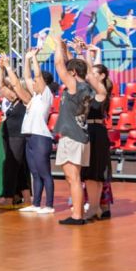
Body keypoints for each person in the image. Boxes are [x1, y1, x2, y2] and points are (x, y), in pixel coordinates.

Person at [51, 34, 96, 225]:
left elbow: (59, 65)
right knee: (73, 178)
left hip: (72, 136)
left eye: (70, 72)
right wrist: (66, 49)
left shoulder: (74, 85)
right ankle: (78, 213)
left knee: (73, 177)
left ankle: (77, 215)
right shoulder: (86, 86)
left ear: (74, 73)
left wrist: (56, 45)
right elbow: (73, 65)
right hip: (80, 135)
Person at [9, 49, 57, 214]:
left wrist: (35, 58)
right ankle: (36, 204)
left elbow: (36, 76)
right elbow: (28, 77)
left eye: (37, 82)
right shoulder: (35, 97)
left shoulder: (46, 95)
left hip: (40, 137)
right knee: (35, 174)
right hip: (29, 137)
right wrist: (27, 59)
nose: (33, 84)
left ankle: (49, 205)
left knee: (44, 173)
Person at [0, 55, 30, 208]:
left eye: (14, 88)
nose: (11, 89)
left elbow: (15, 85)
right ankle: (26, 199)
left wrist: (8, 66)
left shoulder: (26, 99)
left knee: (11, 167)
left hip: (18, 136)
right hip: (10, 136)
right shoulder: (15, 100)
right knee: (19, 169)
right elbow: (1, 86)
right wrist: (1, 69)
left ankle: (8, 199)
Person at [81, 51, 112, 221]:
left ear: (102, 76)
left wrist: (87, 54)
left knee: (93, 174)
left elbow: (87, 73)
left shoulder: (102, 89)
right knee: (95, 174)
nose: (90, 75)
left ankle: (93, 208)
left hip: (95, 132)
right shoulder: (93, 91)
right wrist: (80, 53)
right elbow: (85, 73)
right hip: (94, 131)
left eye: (94, 73)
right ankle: (96, 207)